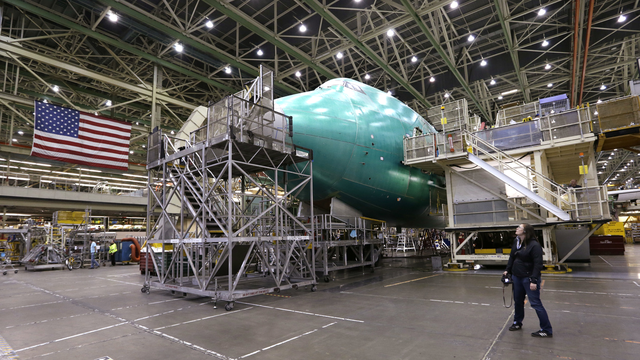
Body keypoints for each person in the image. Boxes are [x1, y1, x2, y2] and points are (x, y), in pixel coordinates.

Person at [503, 223, 553, 338]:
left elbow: (538, 264)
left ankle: (546, 329)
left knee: (535, 303)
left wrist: (534, 280)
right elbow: (512, 257)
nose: (517, 229)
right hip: (517, 277)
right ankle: (517, 322)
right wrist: (508, 270)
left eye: (519, 227)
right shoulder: (517, 242)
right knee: (518, 301)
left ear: (525, 231)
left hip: (528, 278)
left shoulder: (534, 245)